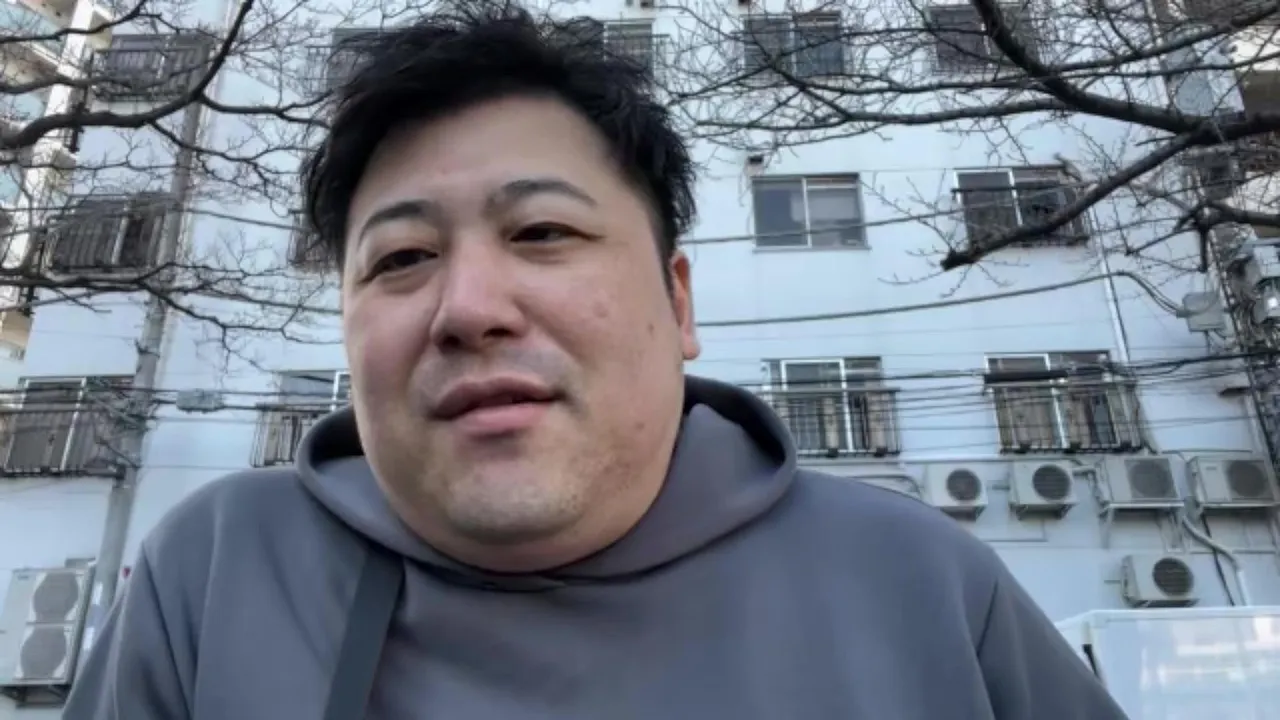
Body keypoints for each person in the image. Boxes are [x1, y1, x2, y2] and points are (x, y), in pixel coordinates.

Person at [64, 7, 1130, 719]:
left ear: (677, 300)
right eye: (401, 258)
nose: (467, 309)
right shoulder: (215, 575)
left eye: (541, 233)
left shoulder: (916, 581)